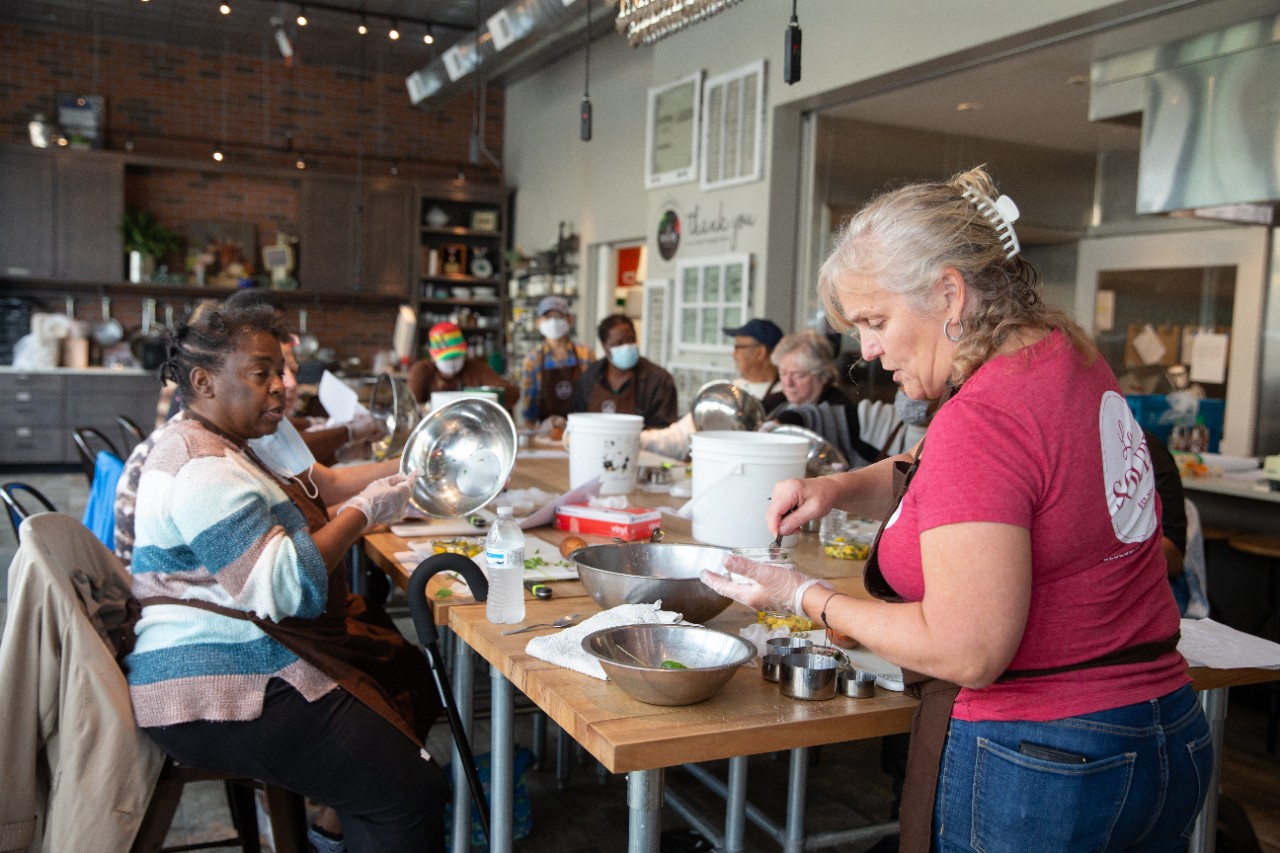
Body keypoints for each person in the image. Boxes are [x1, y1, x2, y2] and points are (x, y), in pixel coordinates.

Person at [702, 167, 1209, 853]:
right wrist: (841, 488)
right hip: (1165, 731)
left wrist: (804, 594)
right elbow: (994, 481)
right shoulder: (1065, 358)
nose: (871, 352)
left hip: (1047, 762)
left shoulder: (984, 413)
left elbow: (967, 648)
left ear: (949, 292)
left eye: (877, 322)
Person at [123, 300, 447, 853]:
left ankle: (337, 830)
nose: (280, 386)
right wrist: (363, 512)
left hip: (238, 653)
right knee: (407, 788)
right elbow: (280, 586)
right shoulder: (201, 466)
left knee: (404, 682)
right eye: (261, 374)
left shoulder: (221, 444)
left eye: (280, 371)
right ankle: (343, 827)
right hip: (215, 684)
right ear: (203, 381)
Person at [766, 329, 879, 469]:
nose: (788, 383)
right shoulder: (774, 402)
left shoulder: (839, 413)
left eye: (798, 375)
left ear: (821, 376)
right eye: (782, 374)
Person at [572, 313, 678, 429]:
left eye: (631, 340)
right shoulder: (591, 375)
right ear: (604, 346)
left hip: (640, 446)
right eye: (619, 343)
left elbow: (665, 429)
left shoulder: (659, 381)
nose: (626, 346)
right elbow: (579, 417)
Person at [407, 321, 519, 415]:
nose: (452, 363)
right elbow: (408, 405)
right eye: (447, 358)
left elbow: (512, 393)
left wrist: (488, 397)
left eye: (457, 357)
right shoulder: (422, 370)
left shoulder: (475, 368)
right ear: (433, 356)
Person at [518, 295, 592, 431]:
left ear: (569, 320)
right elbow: (529, 413)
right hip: (547, 433)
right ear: (538, 322)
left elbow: (594, 397)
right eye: (547, 317)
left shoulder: (586, 354)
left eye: (558, 316)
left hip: (582, 431)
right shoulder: (532, 361)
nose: (553, 322)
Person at [724, 318, 786, 411]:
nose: (733, 353)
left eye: (738, 347)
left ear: (761, 352)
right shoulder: (735, 387)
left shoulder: (787, 392)